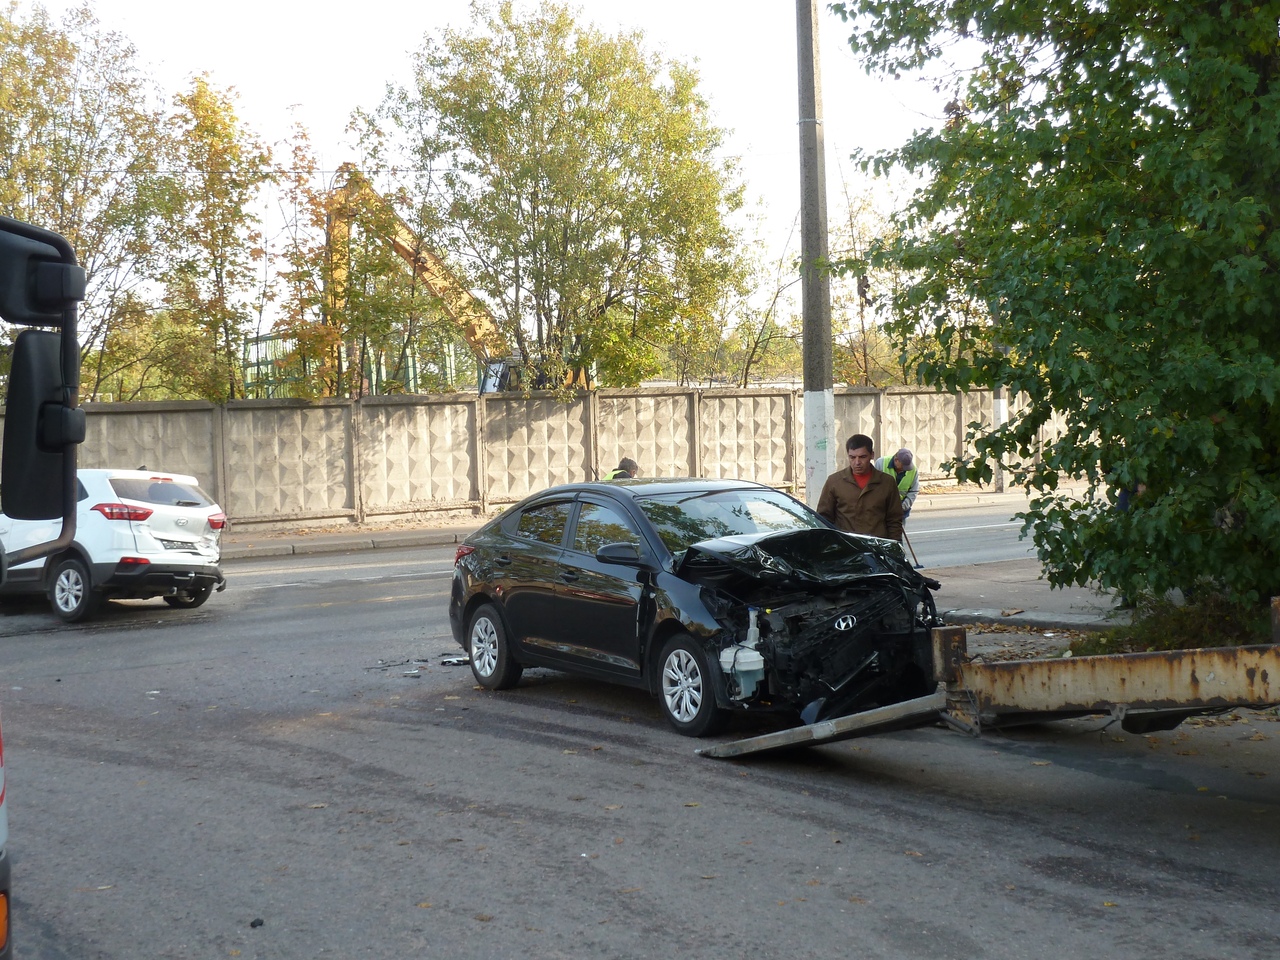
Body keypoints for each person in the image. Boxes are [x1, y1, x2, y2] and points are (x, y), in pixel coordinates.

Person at [816, 434, 903, 540]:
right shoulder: (834, 482)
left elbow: (894, 520)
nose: (857, 462)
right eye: (852, 457)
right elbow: (823, 519)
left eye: (862, 457)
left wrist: (893, 548)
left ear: (872, 455)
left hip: (877, 548)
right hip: (846, 548)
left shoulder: (886, 482)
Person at [873, 448, 920, 521]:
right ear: (896, 460)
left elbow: (914, 491)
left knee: (897, 532)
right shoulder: (881, 463)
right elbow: (873, 487)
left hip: (900, 511)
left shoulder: (913, 470)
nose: (905, 469)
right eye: (903, 466)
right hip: (881, 510)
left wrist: (902, 507)